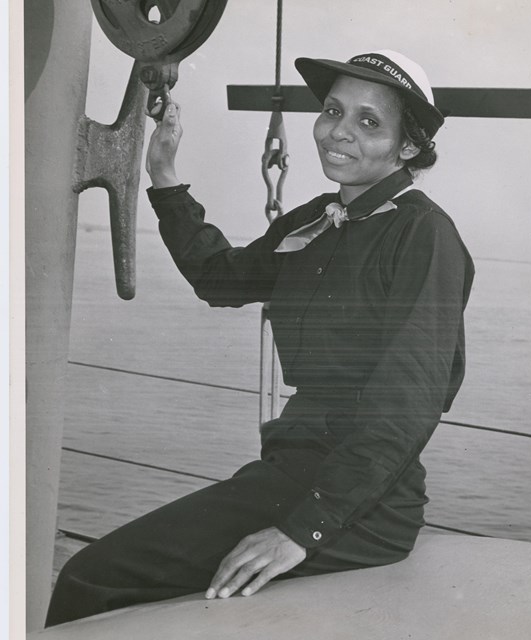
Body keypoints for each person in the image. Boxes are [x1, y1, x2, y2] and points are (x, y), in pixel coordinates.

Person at [45, 50, 474, 627]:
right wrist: (165, 176)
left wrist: (303, 532)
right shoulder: (320, 218)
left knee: (91, 578)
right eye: (332, 111)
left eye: (369, 122)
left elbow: (406, 404)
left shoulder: (424, 234)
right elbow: (220, 278)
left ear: (408, 147)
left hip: (362, 506)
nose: (338, 132)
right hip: (291, 474)